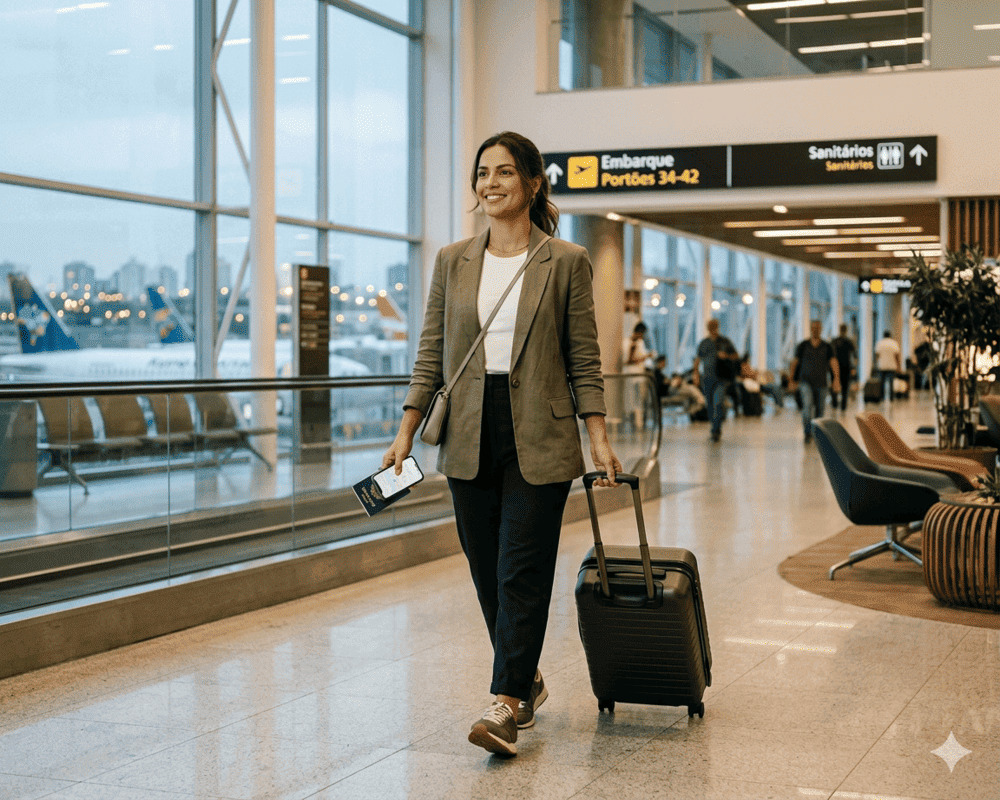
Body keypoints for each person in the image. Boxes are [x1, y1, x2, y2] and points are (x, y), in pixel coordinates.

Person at [381, 131, 622, 758]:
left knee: (522, 566)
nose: (490, 183)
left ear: (534, 183)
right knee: (485, 565)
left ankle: (507, 702)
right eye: (482, 174)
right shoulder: (452, 259)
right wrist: (405, 432)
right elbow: (430, 353)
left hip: (538, 432)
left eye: (505, 173)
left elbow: (584, 360)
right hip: (467, 428)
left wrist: (597, 436)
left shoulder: (564, 260)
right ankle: (525, 675)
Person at [789, 320, 841, 443]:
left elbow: (833, 362)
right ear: (810, 329)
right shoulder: (803, 345)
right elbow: (795, 362)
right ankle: (807, 433)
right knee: (807, 407)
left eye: (817, 327)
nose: (815, 330)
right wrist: (791, 379)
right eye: (813, 327)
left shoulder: (827, 346)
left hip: (822, 383)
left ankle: (817, 434)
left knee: (820, 410)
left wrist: (836, 379)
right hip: (805, 381)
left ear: (821, 329)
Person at [692, 318, 739, 442]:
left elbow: (736, 356)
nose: (712, 328)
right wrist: (695, 374)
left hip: (721, 378)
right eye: (710, 326)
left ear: (717, 326)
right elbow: (697, 360)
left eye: (714, 326)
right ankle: (714, 428)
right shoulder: (704, 343)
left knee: (718, 403)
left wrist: (726, 356)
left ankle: (716, 429)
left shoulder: (725, 342)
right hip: (707, 378)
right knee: (710, 405)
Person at [623, 321, 651, 428]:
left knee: (634, 399)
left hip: (633, 374)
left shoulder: (630, 342)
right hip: (635, 375)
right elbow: (630, 360)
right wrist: (646, 356)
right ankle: (637, 423)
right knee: (636, 399)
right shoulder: (634, 343)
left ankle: (636, 422)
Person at [830, 323, 857, 411]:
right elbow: (854, 355)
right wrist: (854, 367)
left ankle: (834, 403)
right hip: (845, 366)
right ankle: (843, 405)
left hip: (835, 367)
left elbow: (830, 356)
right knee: (845, 387)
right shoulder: (849, 341)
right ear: (846, 330)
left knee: (835, 384)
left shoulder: (834, 341)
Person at [874, 330, 902, 402]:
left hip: (882, 366)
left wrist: (875, 364)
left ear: (883, 335)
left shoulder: (879, 343)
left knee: (882, 383)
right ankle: (891, 398)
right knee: (891, 383)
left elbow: (877, 355)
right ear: (890, 335)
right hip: (891, 366)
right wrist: (899, 366)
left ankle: (882, 397)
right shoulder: (894, 343)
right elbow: (897, 356)